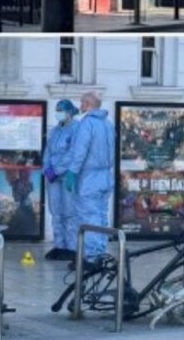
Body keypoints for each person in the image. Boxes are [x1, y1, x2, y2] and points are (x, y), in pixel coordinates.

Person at [64, 92, 115, 269]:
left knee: (89, 216)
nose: (80, 105)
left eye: (82, 102)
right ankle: (100, 252)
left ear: (87, 104)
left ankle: (91, 257)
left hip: (89, 178)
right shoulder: (108, 124)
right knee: (101, 215)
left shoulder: (87, 124)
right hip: (106, 176)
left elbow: (80, 151)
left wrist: (72, 172)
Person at [42, 99, 80, 261]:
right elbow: (48, 152)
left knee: (69, 212)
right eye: (56, 110)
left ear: (69, 111)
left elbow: (73, 153)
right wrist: (47, 169)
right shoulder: (55, 131)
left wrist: (57, 170)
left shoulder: (76, 129)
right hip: (53, 176)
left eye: (61, 110)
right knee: (55, 211)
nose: (58, 113)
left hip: (67, 175)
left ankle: (71, 247)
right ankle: (59, 245)